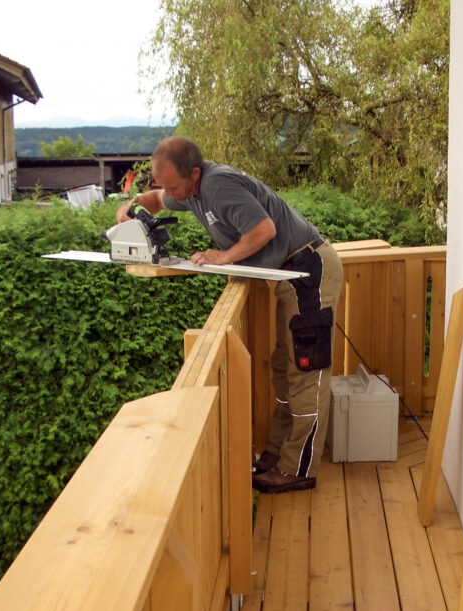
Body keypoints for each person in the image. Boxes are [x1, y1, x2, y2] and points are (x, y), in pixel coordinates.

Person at [117, 136, 343, 493]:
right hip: (289, 273)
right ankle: (279, 453)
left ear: (194, 172)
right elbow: (157, 200)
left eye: (175, 184)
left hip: (307, 268)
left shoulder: (218, 184)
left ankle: (298, 468)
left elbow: (264, 230)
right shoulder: (190, 191)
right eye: (165, 184)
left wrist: (224, 257)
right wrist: (134, 206)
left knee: (306, 369)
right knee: (285, 367)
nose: (171, 192)